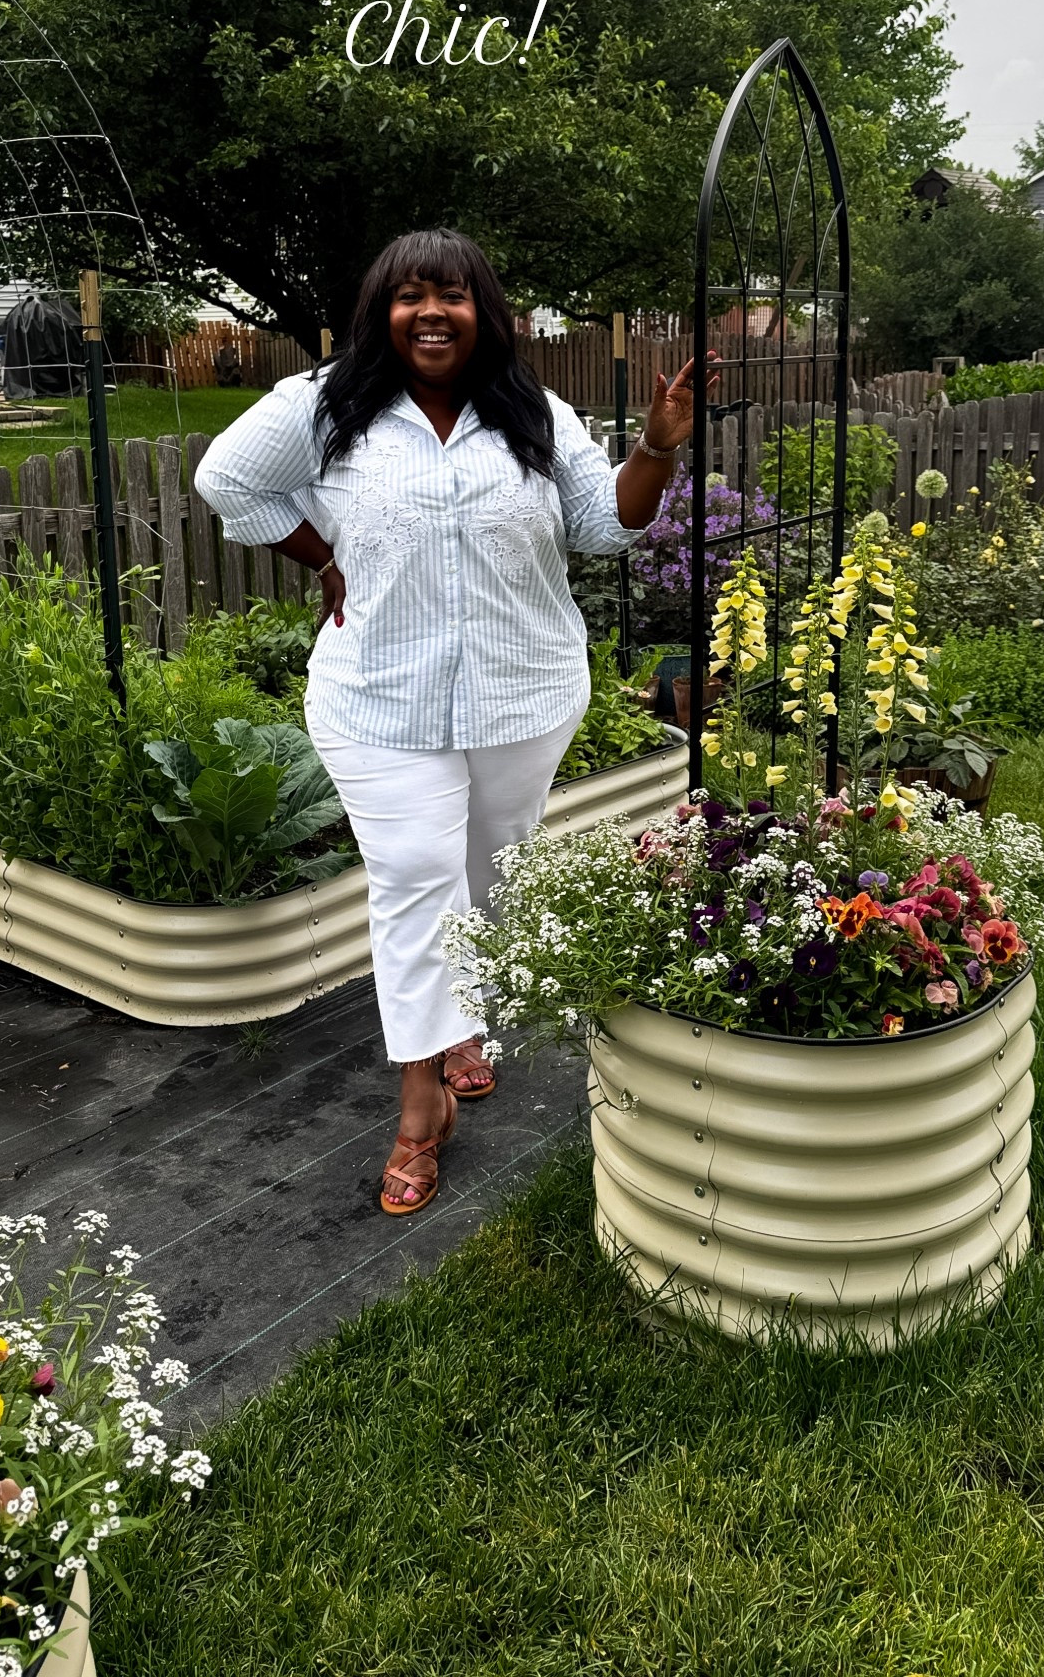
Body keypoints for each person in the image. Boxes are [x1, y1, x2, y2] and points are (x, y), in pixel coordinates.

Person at [193, 229, 710, 1215]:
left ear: (486, 310)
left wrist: (657, 443)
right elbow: (228, 481)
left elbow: (608, 526)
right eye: (409, 294)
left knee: (488, 866)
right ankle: (420, 1101)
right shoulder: (326, 404)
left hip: (522, 692)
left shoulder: (532, 411)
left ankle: (460, 1022)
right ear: (380, 310)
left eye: (454, 294)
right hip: (377, 697)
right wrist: (322, 557)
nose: (431, 310)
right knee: (414, 881)